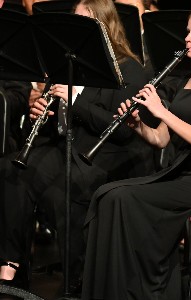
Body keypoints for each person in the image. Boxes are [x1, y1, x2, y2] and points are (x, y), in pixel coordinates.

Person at [81, 5, 191, 300]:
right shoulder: (186, 80)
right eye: (187, 32)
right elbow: (161, 139)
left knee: (122, 197)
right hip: (179, 173)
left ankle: (140, 288)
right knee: (106, 194)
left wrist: (161, 111)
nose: (187, 39)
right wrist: (140, 124)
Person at [0, 0, 155, 292]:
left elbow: (119, 131)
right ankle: (12, 264)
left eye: (85, 22)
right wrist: (40, 112)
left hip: (105, 154)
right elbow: (55, 122)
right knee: (9, 170)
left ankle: (77, 280)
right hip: (66, 147)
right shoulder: (67, 64)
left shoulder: (127, 69)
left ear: (103, 26)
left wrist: (75, 99)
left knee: (66, 189)